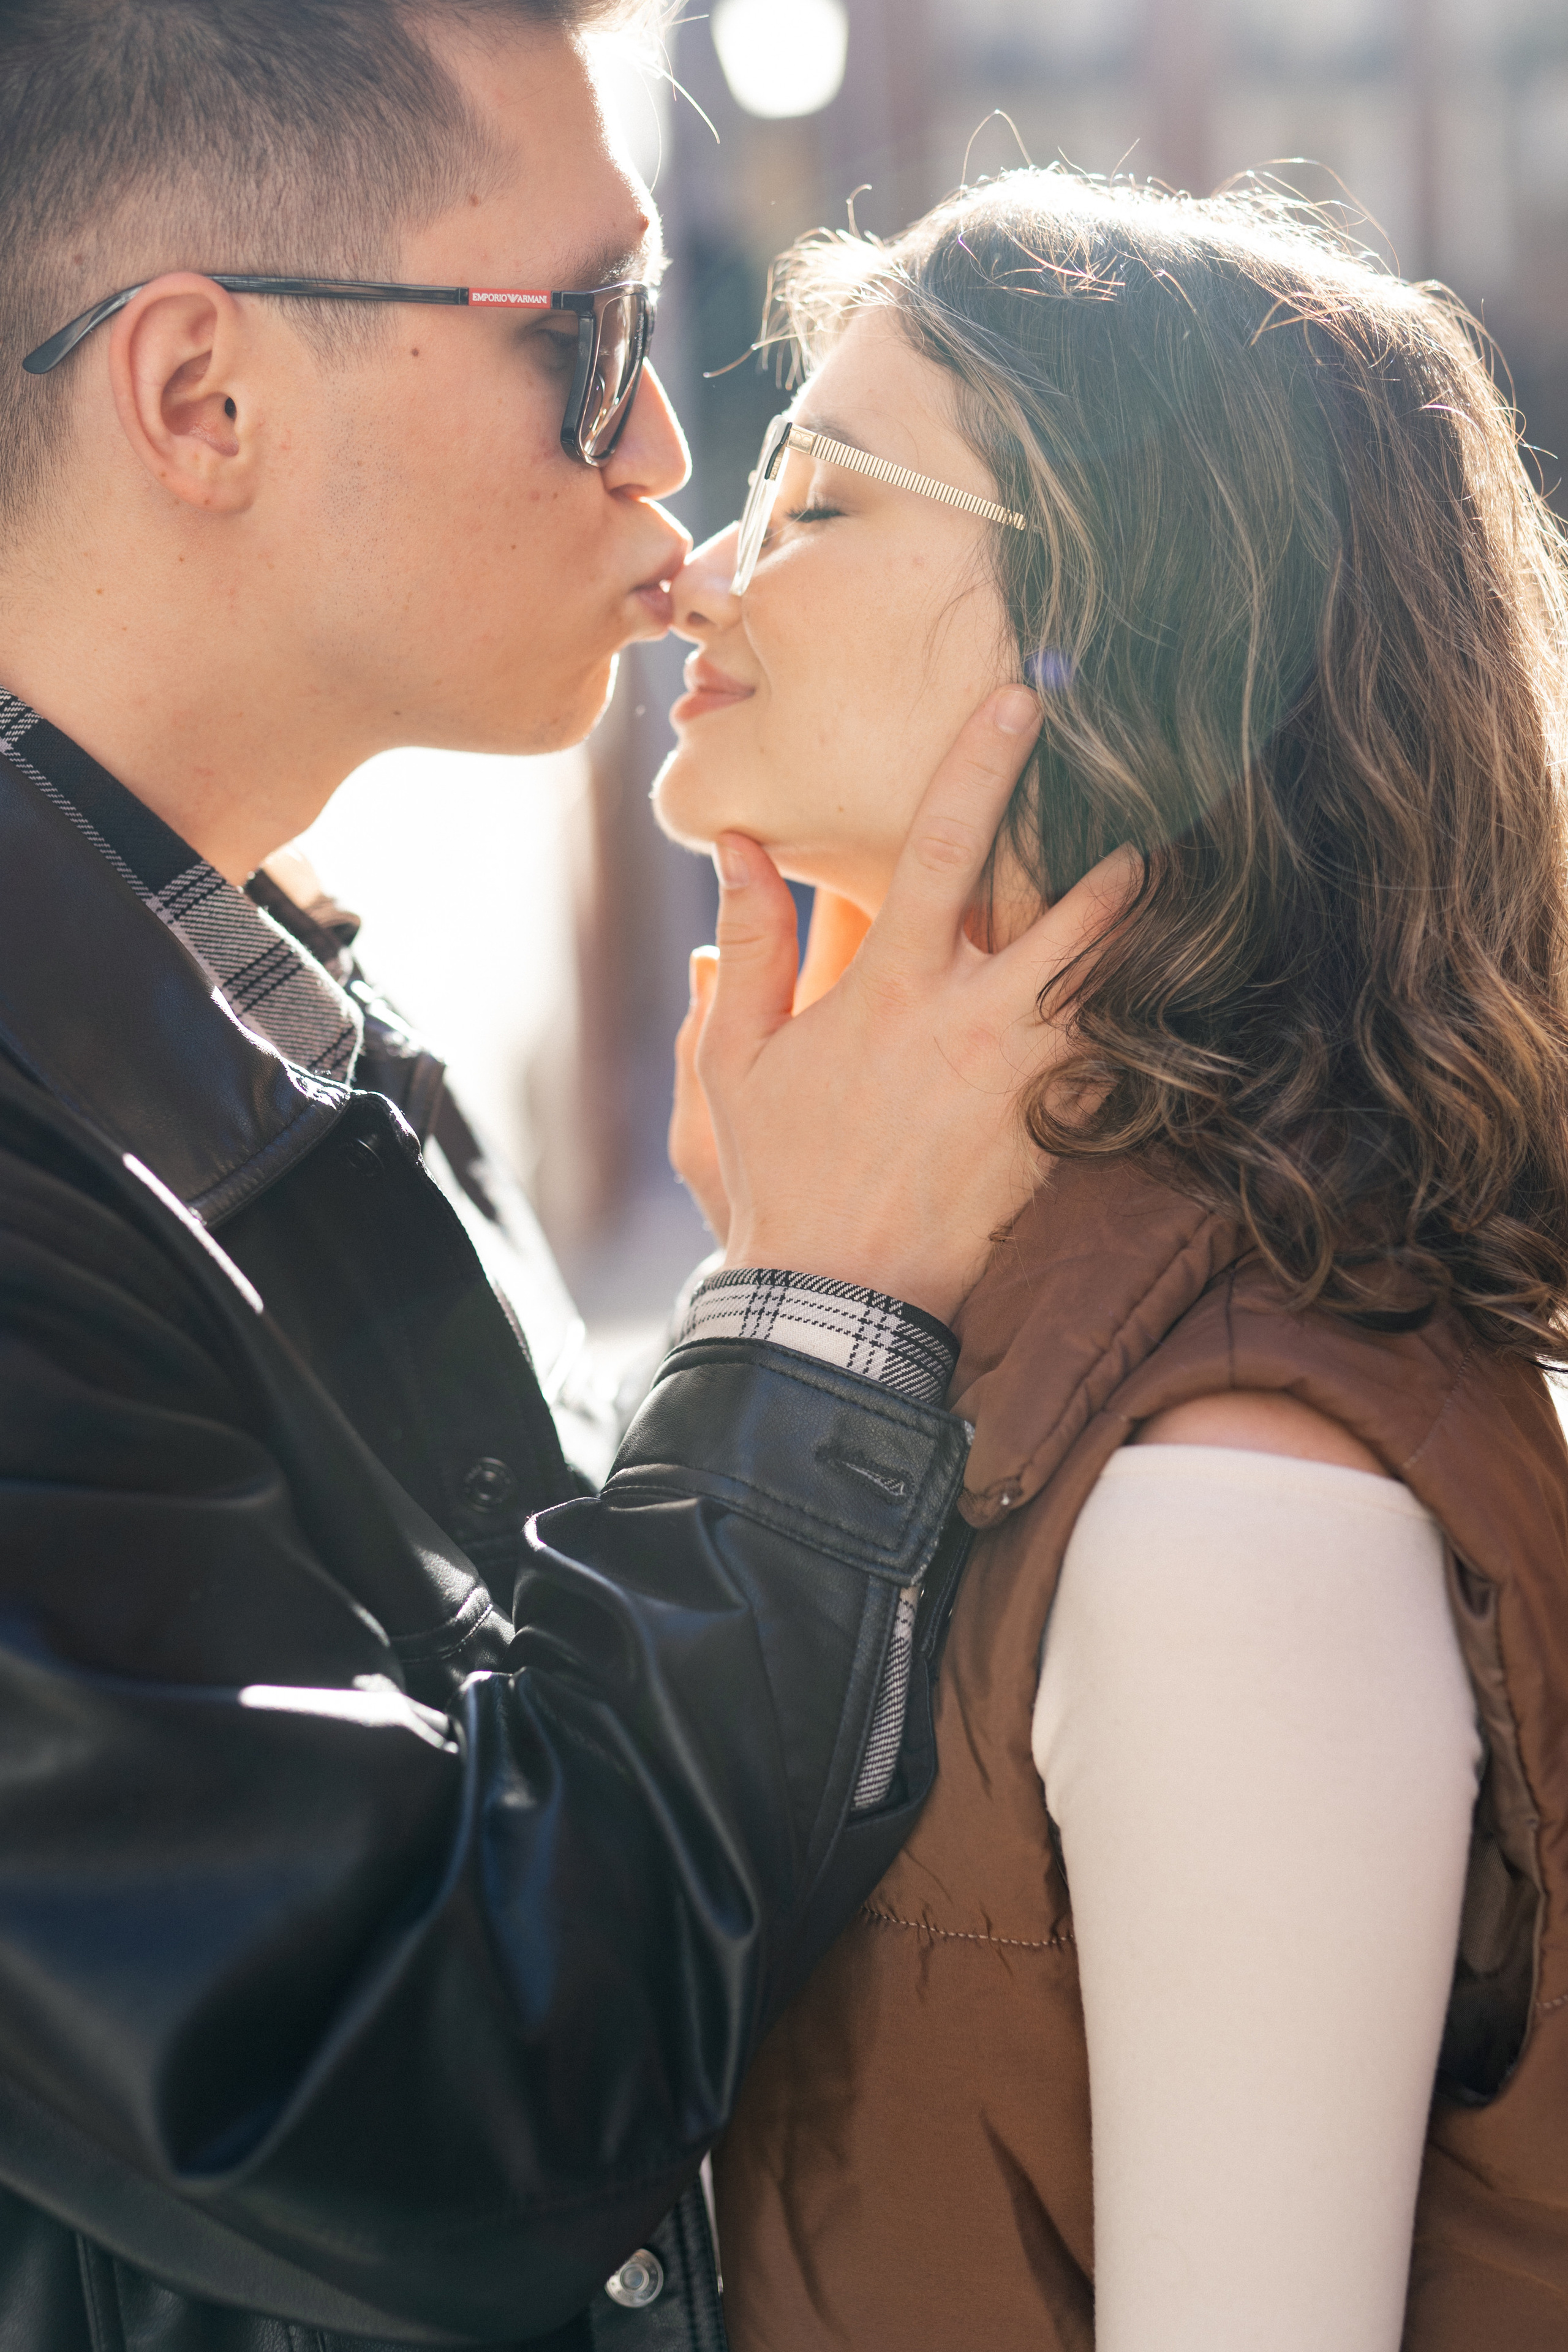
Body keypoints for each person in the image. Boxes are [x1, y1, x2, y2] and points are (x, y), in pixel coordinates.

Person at [0, 8, 1126, 2349]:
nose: (664, 445)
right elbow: (412, 2092)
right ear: (201, 395)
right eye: (587, 333)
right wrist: (809, 1332)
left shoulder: (233, 990)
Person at [659, 167, 1568, 2350]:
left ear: (1116, 638)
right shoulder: (1006, 1326)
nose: (701, 577)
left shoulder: (1235, 1504)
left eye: (819, 495)